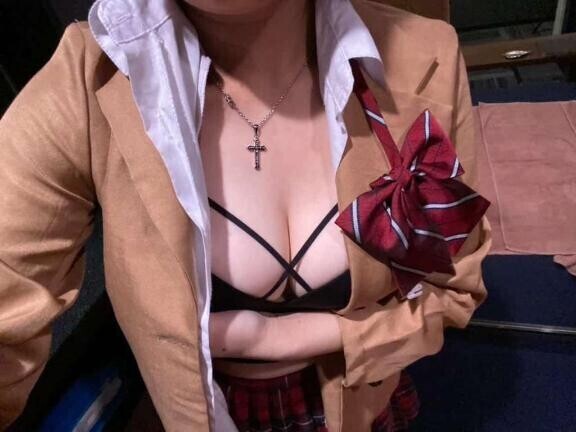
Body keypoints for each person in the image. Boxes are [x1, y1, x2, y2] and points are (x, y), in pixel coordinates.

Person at [0, 0, 492, 431]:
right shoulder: (84, 84)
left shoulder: (427, 56)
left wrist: (280, 337)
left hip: (367, 405)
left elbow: (453, 291)